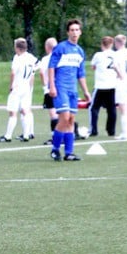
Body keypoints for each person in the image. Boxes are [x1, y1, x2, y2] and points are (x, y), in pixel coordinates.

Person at [48, 19, 91, 161]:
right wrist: (52, 86)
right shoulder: (60, 48)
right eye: (72, 30)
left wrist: (85, 91)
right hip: (61, 88)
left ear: (80, 32)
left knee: (71, 120)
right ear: (68, 32)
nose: (74, 32)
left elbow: (81, 73)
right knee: (64, 118)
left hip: (73, 90)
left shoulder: (80, 51)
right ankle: (55, 149)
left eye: (77, 30)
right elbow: (51, 67)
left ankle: (69, 152)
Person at [0, 38, 38, 143]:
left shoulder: (17, 58)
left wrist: (11, 86)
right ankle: (26, 135)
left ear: (17, 48)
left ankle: (8, 136)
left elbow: (13, 73)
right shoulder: (31, 57)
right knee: (25, 111)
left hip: (17, 87)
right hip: (26, 87)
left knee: (13, 112)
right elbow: (37, 66)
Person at [89, 36, 120, 137]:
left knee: (94, 108)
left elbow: (93, 67)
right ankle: (111, 131)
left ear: (102, 44)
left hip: (100, 86)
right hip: (112, 86)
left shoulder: (98, 55)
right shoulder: (116, 55)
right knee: (111, 109)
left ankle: (93, 130)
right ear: (111, 44)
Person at [38, 37, 59, 145]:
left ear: (47, 47)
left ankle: (55, 136)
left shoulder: (46, 59)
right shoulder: (61, 57)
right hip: (61, 88)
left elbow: (41, 72)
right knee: (62, 112)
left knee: (53, 113)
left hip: (50, 89)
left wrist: (45, 84)